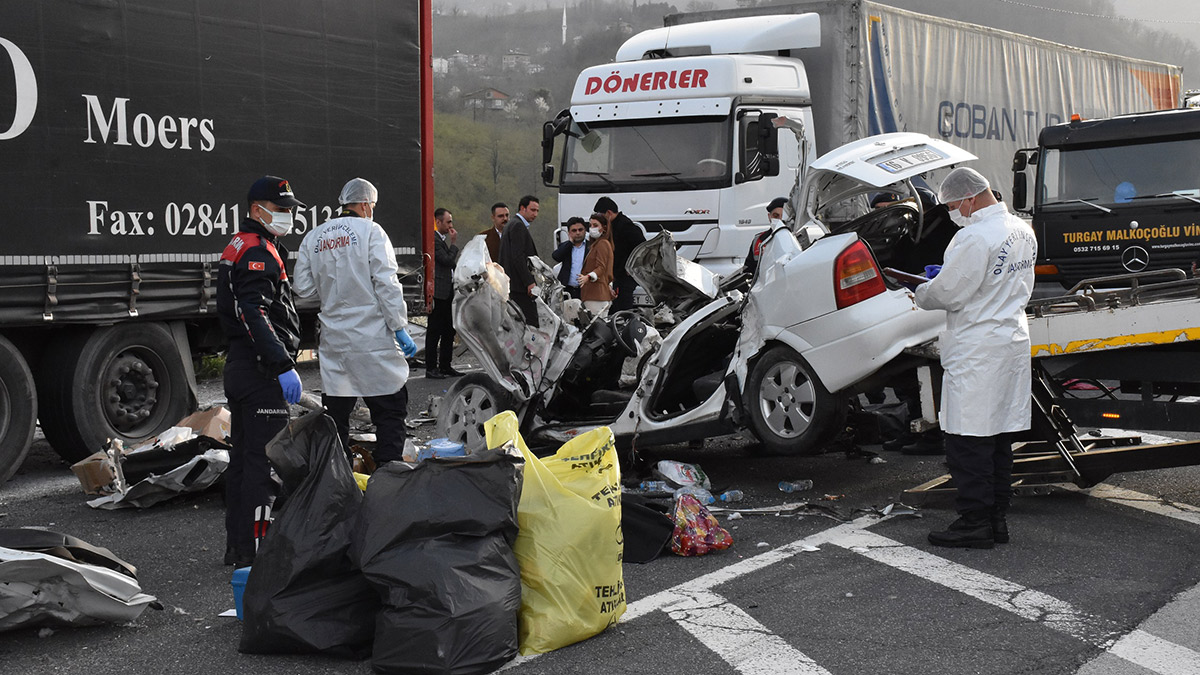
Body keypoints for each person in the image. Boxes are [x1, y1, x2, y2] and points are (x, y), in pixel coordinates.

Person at [913, 167, 1037, 549]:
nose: (953, 212)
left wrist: (920, 290)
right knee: (998, 437)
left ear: (969, 198)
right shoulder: (1022, 230)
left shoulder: (972, 238)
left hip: (978, 346)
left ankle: (974, 522)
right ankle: (996, 517)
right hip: (1010, 340)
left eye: (953, 205)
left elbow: (949, 293)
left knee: (968, 440)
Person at [292, 177, 418, 464]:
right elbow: (387, 283)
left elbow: (304, 290)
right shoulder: (372, 232)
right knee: (389, 412)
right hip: (373, 339)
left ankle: (339, 478)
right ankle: (388, 477)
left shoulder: (315, 237)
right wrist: (399, 327)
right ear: (364, 204)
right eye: (372, 205)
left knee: (336, 418)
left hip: (336, 342)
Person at [216, 175, 305, 568]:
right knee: (263, 466)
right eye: (281, 209)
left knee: (243, 461)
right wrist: (283, 364)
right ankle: (257, 553)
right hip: (259, 371)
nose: (287, 216)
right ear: (257, 210)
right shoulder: (259, 251)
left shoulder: (243, 243)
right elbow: (254, 311)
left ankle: (239, 548)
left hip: (241, 366)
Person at [425, 207, 461, 378]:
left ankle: (445, 365)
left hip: (448, 291)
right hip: (439, 292)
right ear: (438, 222)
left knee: (448, 330)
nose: (450, 225)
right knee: (434, 331)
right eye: (448, 222)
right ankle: (431, 367)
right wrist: (454, 244)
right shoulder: (433, 239)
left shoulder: (441, 240)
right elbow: (446, 260)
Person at [594, 197, 645, 312]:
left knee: (622, 305)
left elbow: (642, 247)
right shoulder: (610, 227)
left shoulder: (626, 226)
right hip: (614, 274)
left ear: (608, 213)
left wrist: (632, 265)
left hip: (626, 275)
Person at [497, 194, 541, 327]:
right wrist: (529, 282)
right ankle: (531, 347)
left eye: (537, 211)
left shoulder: (511, 224)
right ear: (523, 208)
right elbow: (518, 257)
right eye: (533, 210)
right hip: (519, 286)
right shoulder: (517, 226)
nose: (535, 214)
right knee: (531, 323)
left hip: (512, 284)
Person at [578, 212, 615, 317]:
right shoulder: (598, 245)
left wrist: (588, 277)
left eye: (595, 225)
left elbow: (601, 267)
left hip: (595, 296)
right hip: (599, 295)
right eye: (590, 225)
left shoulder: (602, 244)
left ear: (603, 228)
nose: (591, 228)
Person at [743, 197, 789, 277]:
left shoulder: (796, 239)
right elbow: (747, 269)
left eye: (783, 216)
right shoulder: (759, 240)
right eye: (776, 215)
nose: (780, 219)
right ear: (769, 216)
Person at [552, 216, 589, 299]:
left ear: (585, 231)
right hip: (567, 289)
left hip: (585, 290)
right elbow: (556, 256)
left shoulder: (591, 247)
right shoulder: (566, 246)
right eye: (574, 230)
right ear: (569, 233)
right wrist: (570, 243)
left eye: (580, 230)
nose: (578, 233)